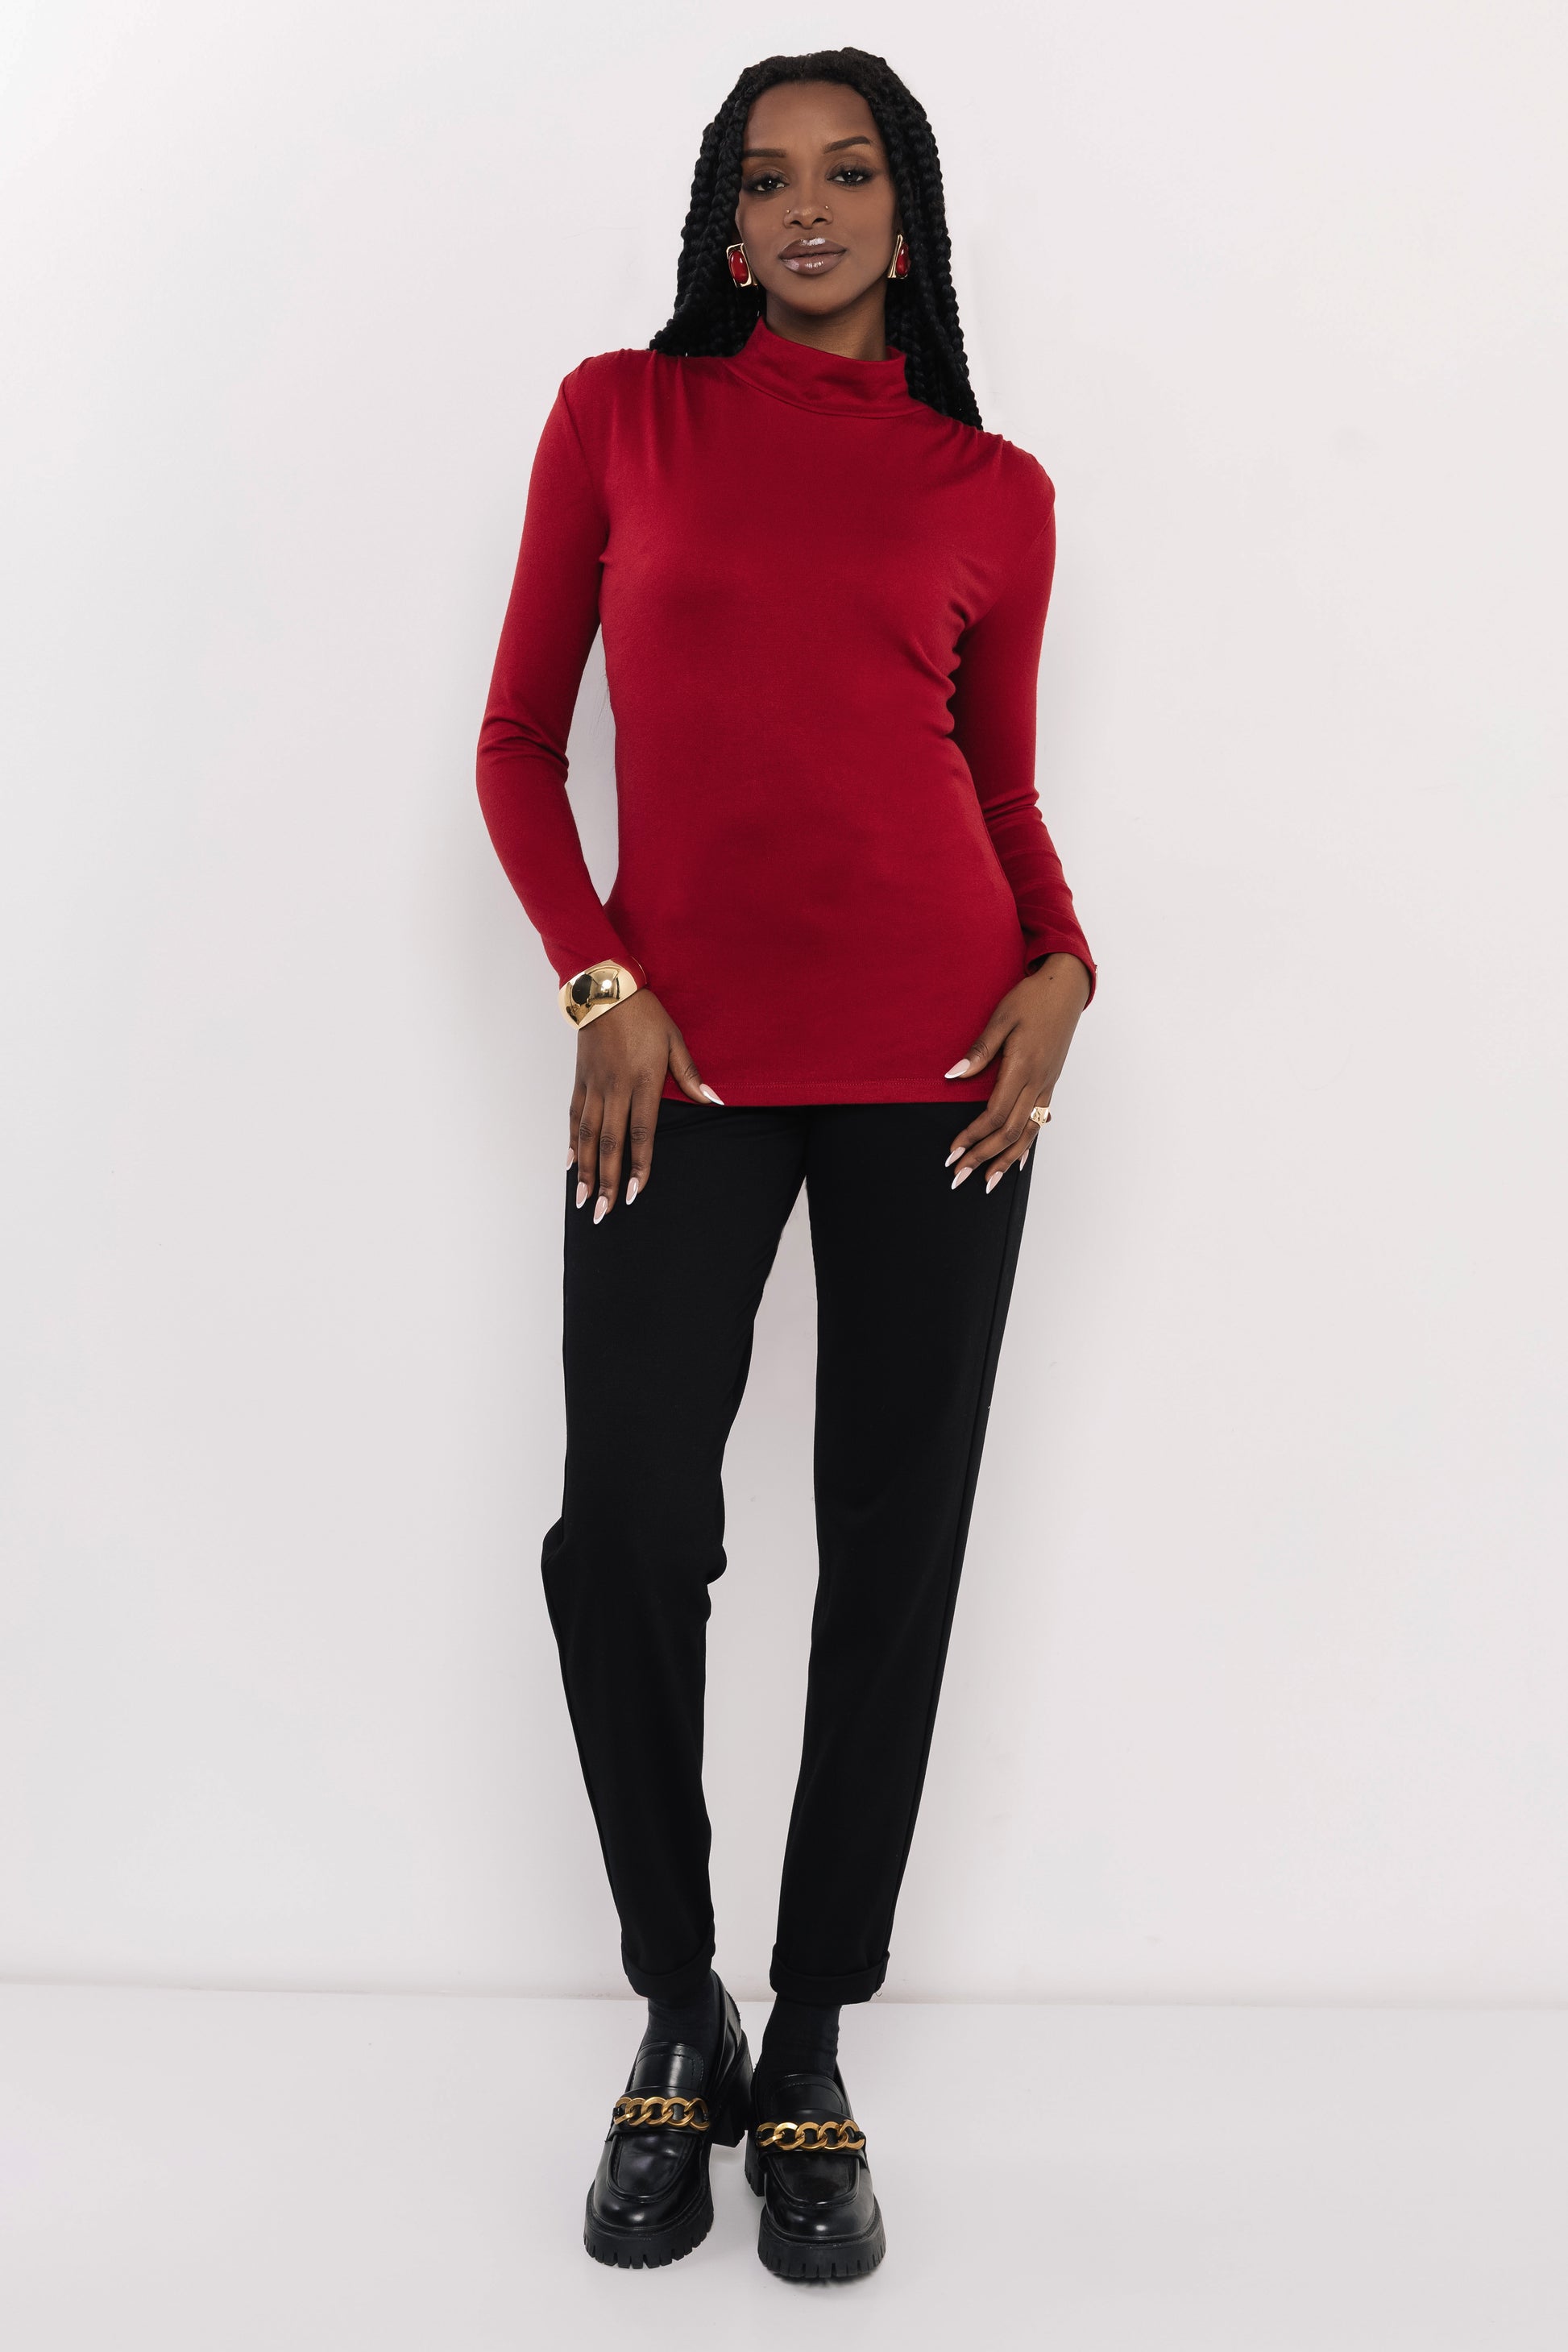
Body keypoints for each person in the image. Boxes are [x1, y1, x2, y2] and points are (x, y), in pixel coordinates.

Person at [476, 46, 1094, 2283]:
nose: (806, 207)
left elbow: (996, 791)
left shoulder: (993, 489)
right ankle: (680, 2001)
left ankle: (811, 2039)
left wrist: (1067, 965)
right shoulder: (620, 419)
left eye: (847, 174)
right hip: (678, 1071)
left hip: (947, 1062)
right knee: (627, 1530)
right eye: (766, 179)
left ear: (903, 220)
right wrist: (599, 985)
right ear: (726, 227)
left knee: (892, 1548)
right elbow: (518, 744)